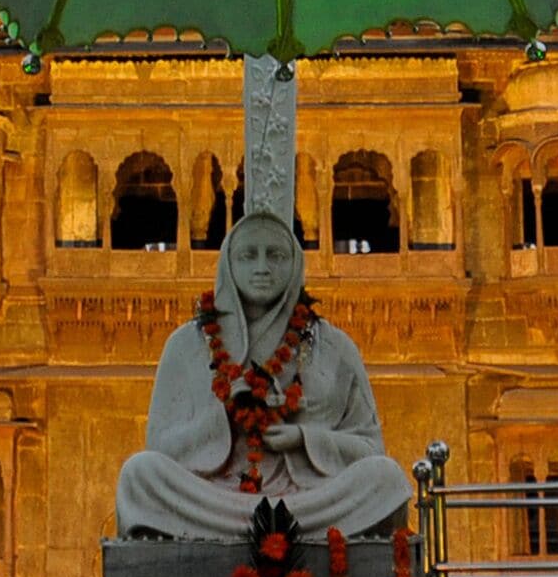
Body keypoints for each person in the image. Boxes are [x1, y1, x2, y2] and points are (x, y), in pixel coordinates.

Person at [115, 210, 412, 538]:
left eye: (276, 255)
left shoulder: (333, 345)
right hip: (214, 499)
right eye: (248, 256)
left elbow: (370, 449)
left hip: (309, 501)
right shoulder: (187, 343)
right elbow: (161, 448)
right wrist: (225, 418)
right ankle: (249, 531)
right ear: (229, 264)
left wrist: (301, 439)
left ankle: (268, 529)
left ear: (295, 263)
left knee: (386, 478)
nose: (261, 268)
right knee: (139, 474)